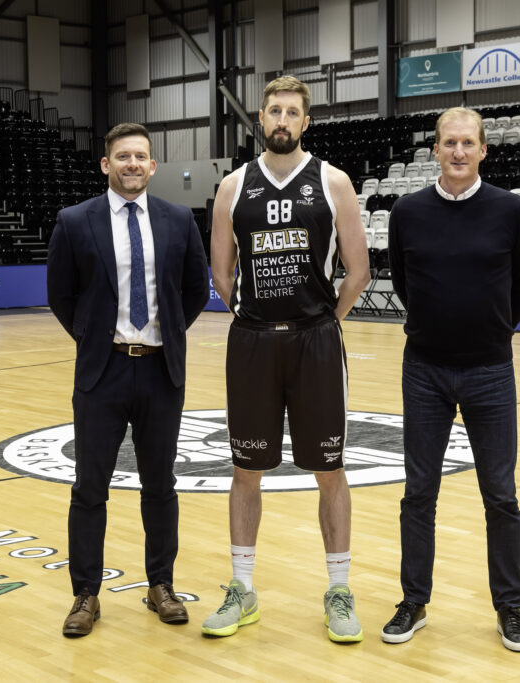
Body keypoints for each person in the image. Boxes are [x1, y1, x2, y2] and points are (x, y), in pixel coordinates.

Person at [202, 75, 371, 643]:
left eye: (292, 112)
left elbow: (358, 270)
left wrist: (325, 323)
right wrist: (255, 315)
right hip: (252, 341)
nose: (281, 120)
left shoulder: (333, 181)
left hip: (315, 341)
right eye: (273, 110)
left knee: (330, 469)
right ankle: (242, 588)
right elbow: (221, 274)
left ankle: (339, 591)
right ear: (260, 117)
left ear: (306, 121)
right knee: (245, 469)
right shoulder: (232, 186)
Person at [381, 107, 520, 652]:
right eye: (449, 142)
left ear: (483, 150)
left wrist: (491, 331)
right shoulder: (407, 211)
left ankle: (510, 609)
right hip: (423, 368)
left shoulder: (510, 210)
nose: (458, 152)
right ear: (435, 149)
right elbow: (403, 281)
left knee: (500, 495)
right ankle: (413, 602)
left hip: (491, 371)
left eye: (468, 143)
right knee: (418, 493)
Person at [47, 122, 209, 637]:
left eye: (140, 156)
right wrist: (96, 338)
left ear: (153, 165)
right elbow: (61, 294)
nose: (132, 164)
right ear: (106, 165)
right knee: (90, 488)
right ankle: (85, 595)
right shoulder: (74, 221)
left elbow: (194, 289)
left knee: (160, 486)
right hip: (104, 371)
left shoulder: (179, 219)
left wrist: (166, 334)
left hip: (161, 369)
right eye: (122, 157)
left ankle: (161, 585)